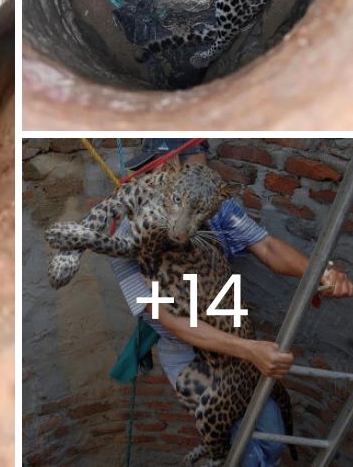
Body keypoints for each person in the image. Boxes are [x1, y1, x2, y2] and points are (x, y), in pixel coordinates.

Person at [111, 139, 353, 466]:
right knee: (243, 452)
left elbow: (266, 247)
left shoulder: (213, 204)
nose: (203, 176)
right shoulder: (127, 234)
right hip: (191, 355)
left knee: (270, 440)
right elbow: (168, 319)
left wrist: (321, 272)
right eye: (193, 169)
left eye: (204, 167)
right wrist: (250, 350)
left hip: (235, 330)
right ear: (166, 169)